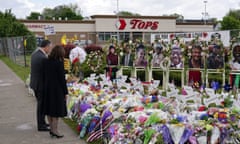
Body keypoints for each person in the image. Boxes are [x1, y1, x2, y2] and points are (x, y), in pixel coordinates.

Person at [42, 45, 68, 138]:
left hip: (48, 88)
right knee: (56, 111)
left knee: (49, 109)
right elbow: (62, 79)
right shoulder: (59, 63)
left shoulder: (46, 61)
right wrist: (65, 92)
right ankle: (55, 130)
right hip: (57, 90)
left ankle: (52, 130)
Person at [30, 40, 52, 131]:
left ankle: (42, 122)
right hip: (40, 85)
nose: (50, 49)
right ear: (46, 47)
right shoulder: (42, 57)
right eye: (50, 47)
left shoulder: (35, 54)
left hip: (35, 83)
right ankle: (41, 125)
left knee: (41, 105)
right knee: (41, 105)